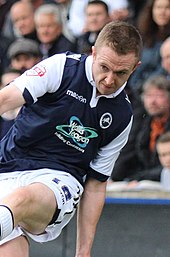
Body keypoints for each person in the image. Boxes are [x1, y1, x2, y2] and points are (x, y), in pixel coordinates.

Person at [0, 21, 142, 257]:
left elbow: (96, 185)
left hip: (59, 181)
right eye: (104, 67)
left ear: (135, 68)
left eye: (121, 73)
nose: (109, 80)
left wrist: (83, 251)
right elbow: (5, 99)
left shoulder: (122, 116)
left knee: (21, 200)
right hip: (8, 167)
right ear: (93, 52)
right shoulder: (62, 67)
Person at [111, 74, 170, 182]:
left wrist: (139, 179)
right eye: (148, 95)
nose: (152, 102)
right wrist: (114, 178)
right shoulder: (143, 121)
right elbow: (129, 152)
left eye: (159, 95)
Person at [128, 0, 170, 93]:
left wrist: (145, 85)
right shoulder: (145, 36)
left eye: (167, 7)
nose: (162, 12)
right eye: (158, 7)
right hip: (140, 90)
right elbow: (138, 67)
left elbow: (164, 68)